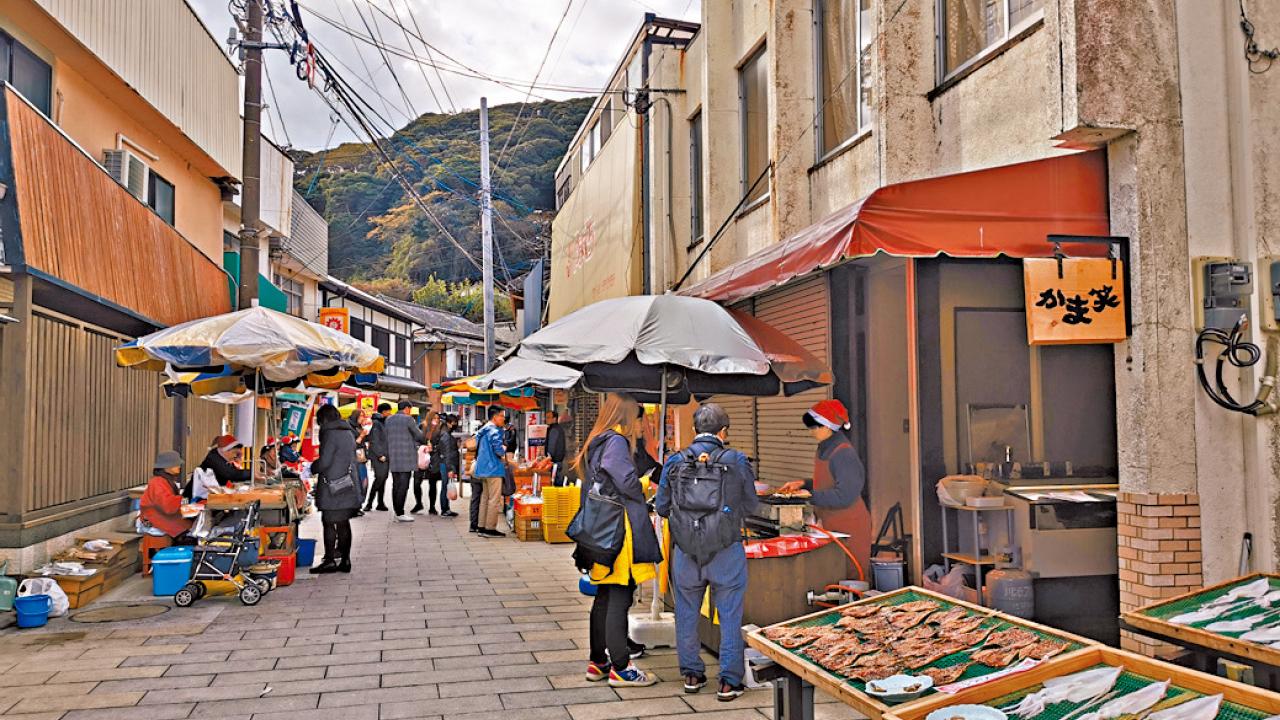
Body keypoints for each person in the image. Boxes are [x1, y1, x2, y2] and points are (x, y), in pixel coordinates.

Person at [655, 403, 758, 701]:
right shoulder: (736, 460)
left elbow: (662, 507)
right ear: (723, 431)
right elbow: (751, 504)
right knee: (729, 615)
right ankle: (728, 681)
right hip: (726, 550)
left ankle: (691, 675)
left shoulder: (675, 461)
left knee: (686, 614)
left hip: (686, 551)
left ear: (694, 430)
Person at [575, 393, 662, 688]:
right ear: (626, 416)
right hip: (618, 531)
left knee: (604, 596)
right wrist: (645, 485)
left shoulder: (597, 440)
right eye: (640, 418)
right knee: (619, 596)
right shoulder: (615, 442)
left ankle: (598, 662)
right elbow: (626, 483)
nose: (642, 425)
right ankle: (621, 667)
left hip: (600, 528)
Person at [778, 399, 872, 576]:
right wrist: (803, 484)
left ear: (828, 427)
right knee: (832, 576)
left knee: (851, 577)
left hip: (850, 527)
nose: (811, 432)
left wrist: (809, 496)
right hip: (831, 525)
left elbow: (845, 495)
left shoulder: (844, 453)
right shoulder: (824, 448)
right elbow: (827, 483)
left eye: (815, 428)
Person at [311, 403, 360, 573]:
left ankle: (330, 559)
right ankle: (345, 560)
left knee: (329, 522)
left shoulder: (329, 433)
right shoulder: (347, 432)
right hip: (348, 483)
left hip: (333, 486)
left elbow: (325, 462)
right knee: (343, 523)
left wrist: (312, 467)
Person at [140, 450, 195, 543]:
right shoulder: (157, 482)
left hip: (163, 515)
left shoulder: (166, 480)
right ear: (166, 467)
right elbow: (168, 506)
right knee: (188, 532)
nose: (179, 466)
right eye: (175, 464)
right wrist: (187, 499)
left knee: (191, 524)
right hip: (156, 517)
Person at [472, 405, 510, 537]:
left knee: (485, 498)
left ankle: (481, 526)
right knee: (494, 500)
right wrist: (504, 448)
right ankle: (490, 528)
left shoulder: (483, 430)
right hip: (493, 469)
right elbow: (498, 450)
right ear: (495, 417)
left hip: (483, 469)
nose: (503, 419)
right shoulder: (494, 430)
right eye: (502, 416)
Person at [385, 400, 425, 522]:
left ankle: (397, 512)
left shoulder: (388, 420)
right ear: (407, 408)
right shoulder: (408, 419)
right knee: (403, 485)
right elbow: (419, 436)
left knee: (396, 485)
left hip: (393, 456)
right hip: (406, 456)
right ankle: (400, 513)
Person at [430, 413, 460, 516]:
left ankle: (446, 508)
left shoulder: (444, 433)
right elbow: (447, 454)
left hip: (445, 464)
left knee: (446, 486)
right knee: (445, 486)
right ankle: (445, 509)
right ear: (448, 423)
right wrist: (450, 468)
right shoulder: (446, 435)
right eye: (453, 423)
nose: (455, 424)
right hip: (446, 464)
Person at [410, 410, 438, 514]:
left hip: (433, 459)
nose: (435, 421)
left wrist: (434, 447)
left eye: (437, 419)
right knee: (417, 483)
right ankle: (418, 503)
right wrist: (422, 447)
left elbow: (441, 443)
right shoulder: (422, 427)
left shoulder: (439, 430)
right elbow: (415, 440)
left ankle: (432, 506)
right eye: (434, 418)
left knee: (433, 483)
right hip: (421, 458)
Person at [364, 404, 391, 512]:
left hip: (385, 456)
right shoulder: (376, 423)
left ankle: (380, 503)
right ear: (383, 412)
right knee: (379, 478)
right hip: (379, 457)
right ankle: (369, 503)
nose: (390, 413)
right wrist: (380, 455)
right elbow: (374, 440)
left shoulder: (383, 422)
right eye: (388, 411)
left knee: (383, 479)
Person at [546, 409, 571, 486]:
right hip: (558, 460)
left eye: (548, 417)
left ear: (554, 419)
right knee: (557, 480)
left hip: (554, 461)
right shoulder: (557, 429)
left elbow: (552, 446)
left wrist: (549, 457)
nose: (546, 419)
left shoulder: (554, 430)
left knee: (556, 482)